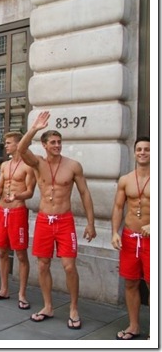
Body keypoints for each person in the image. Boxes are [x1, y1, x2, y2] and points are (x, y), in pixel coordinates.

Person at [17, 110, 96, 330]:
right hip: (44, 219)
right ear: (44, 144)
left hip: (64, 220)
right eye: (52, 142)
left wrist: (91, 223)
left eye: (59, 142)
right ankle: (48, 306)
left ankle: (73, 308)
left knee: (69, 266)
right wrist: (34, 128)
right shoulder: (38, 163)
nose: (57, 145)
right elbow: (21, 149)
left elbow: (85, 194)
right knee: (43, 265)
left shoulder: (73, 166)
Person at [0, 132, 36, 309]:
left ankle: (22, 293)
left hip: (17, 212)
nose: (5, 146)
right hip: (1, 211)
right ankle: (4, 289)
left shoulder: (28, 166)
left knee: (20, 254)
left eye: (8, 143)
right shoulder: (5, 165)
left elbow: (30, 191)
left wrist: (17, 195)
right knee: (1, 251)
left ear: (18, 144)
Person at [111, 137, 150, 340]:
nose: (143, 152)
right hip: (129, 238)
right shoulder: (126, 179)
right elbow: (118, 207)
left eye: (147, 149)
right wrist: (115, 232)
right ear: (134, 153)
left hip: (153, 241)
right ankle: (134, 326)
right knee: (130, 283)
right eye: (139, 149)